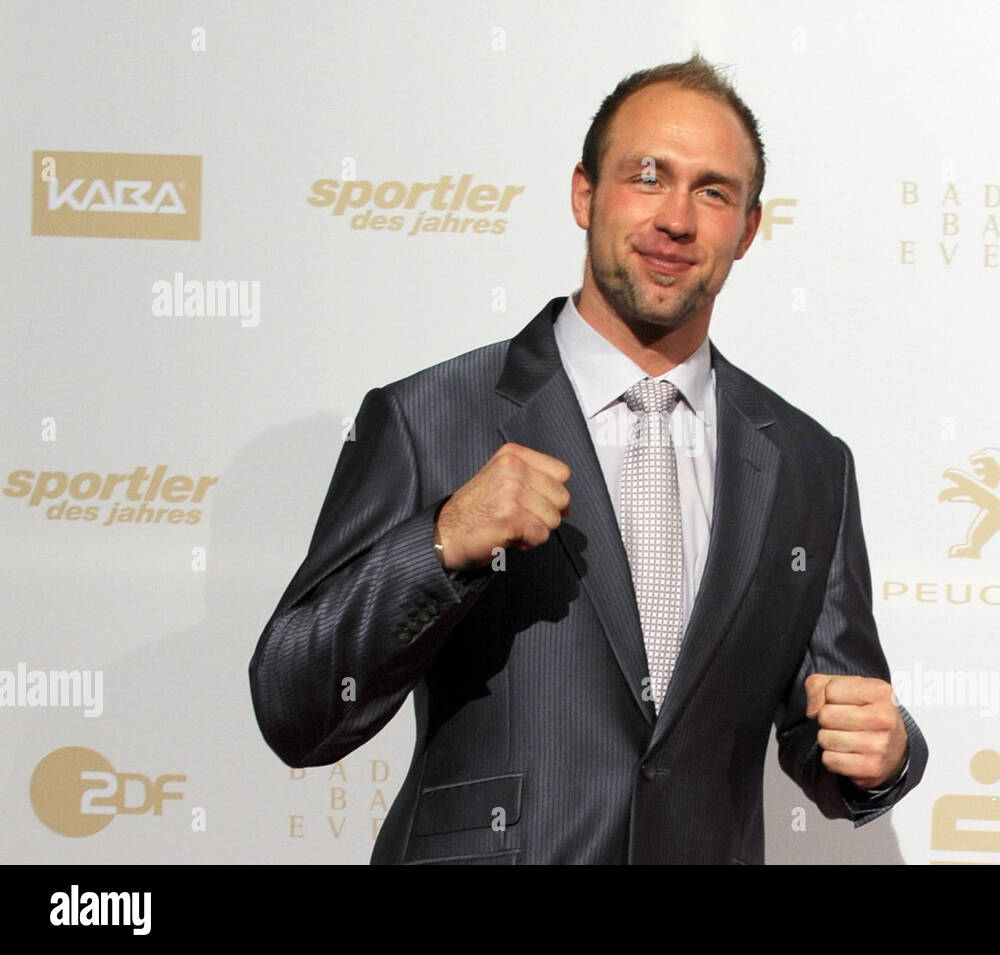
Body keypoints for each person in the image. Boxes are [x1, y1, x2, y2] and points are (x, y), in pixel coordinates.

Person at [249, 53, 927, 864]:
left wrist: (885, 753)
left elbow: (832, 721)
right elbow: (294, 707)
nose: (677, 219)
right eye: (648, 177)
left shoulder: (809, 463)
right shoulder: (431, 415)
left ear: (747, 229)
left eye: (712, 191)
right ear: (584, 193)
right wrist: (442, 541)